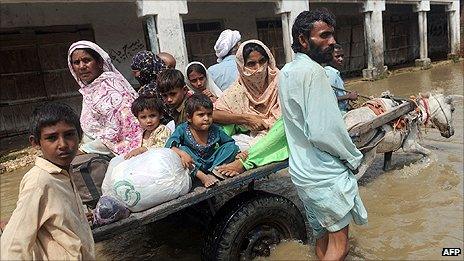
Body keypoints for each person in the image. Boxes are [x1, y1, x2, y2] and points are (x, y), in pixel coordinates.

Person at [278, 10, 367, 260]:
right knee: (340, 246)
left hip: (302, 172)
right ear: (303, 40)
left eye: (332, 35)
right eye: (324, 35)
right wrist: (352, 156)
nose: (331, 42)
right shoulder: (315, 73)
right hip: (324, 173)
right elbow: (323, 131)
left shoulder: (287, 71)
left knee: (321, 237)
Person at [0, 102, 95, 260]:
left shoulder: (64, 173)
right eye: (51, 138)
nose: (63, 145)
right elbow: (14, 243)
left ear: (80, 135)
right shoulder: (39, 181)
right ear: (35, 142)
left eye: (69, 134)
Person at [213, 40, 288, 176]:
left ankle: (245, 161)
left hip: (277, 132)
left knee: (285, 124)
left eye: (262, 61)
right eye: (251, 64)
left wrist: (264, 123)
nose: (258, 68)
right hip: (250, 130)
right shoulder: (239, 89)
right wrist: (246, 118)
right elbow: (214, 113)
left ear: (269, 61)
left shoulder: (281, 81)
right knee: (225, 124)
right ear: (242, 66)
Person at [68, 40, 141, 156]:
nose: (81, 66)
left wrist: (84, 149)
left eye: (87, 60)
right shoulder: (92, 89)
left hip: (118, 153)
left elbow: (117, 133)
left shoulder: (111, 89)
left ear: (100, 63)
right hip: (95, 150)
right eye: (76, 62)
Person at [165, 93, 239, 187]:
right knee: (182, 150)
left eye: (209, 114)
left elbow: (229, 143)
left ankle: (214, 172)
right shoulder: (182, 129)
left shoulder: (215, 129)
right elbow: (169, 146)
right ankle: (202, 176)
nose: (206, 118)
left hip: (212, 161)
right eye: (201, 115)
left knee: (232, 147)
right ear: (189, 117)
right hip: (193, 164)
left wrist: (238, 153)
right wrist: (182, 154)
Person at [130, 50, 173, 126]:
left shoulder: (149, 90)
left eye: (136, 72)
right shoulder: (169, 81)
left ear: (146, 69)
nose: (135, 76)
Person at [324, 44, 358, 113]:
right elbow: (328, 100)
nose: (341, 59)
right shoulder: (330, 74)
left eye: (342, 56)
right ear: (329, 58)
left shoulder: (335, 73)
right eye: (337, 56)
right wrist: (348, 96)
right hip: (339, 113)